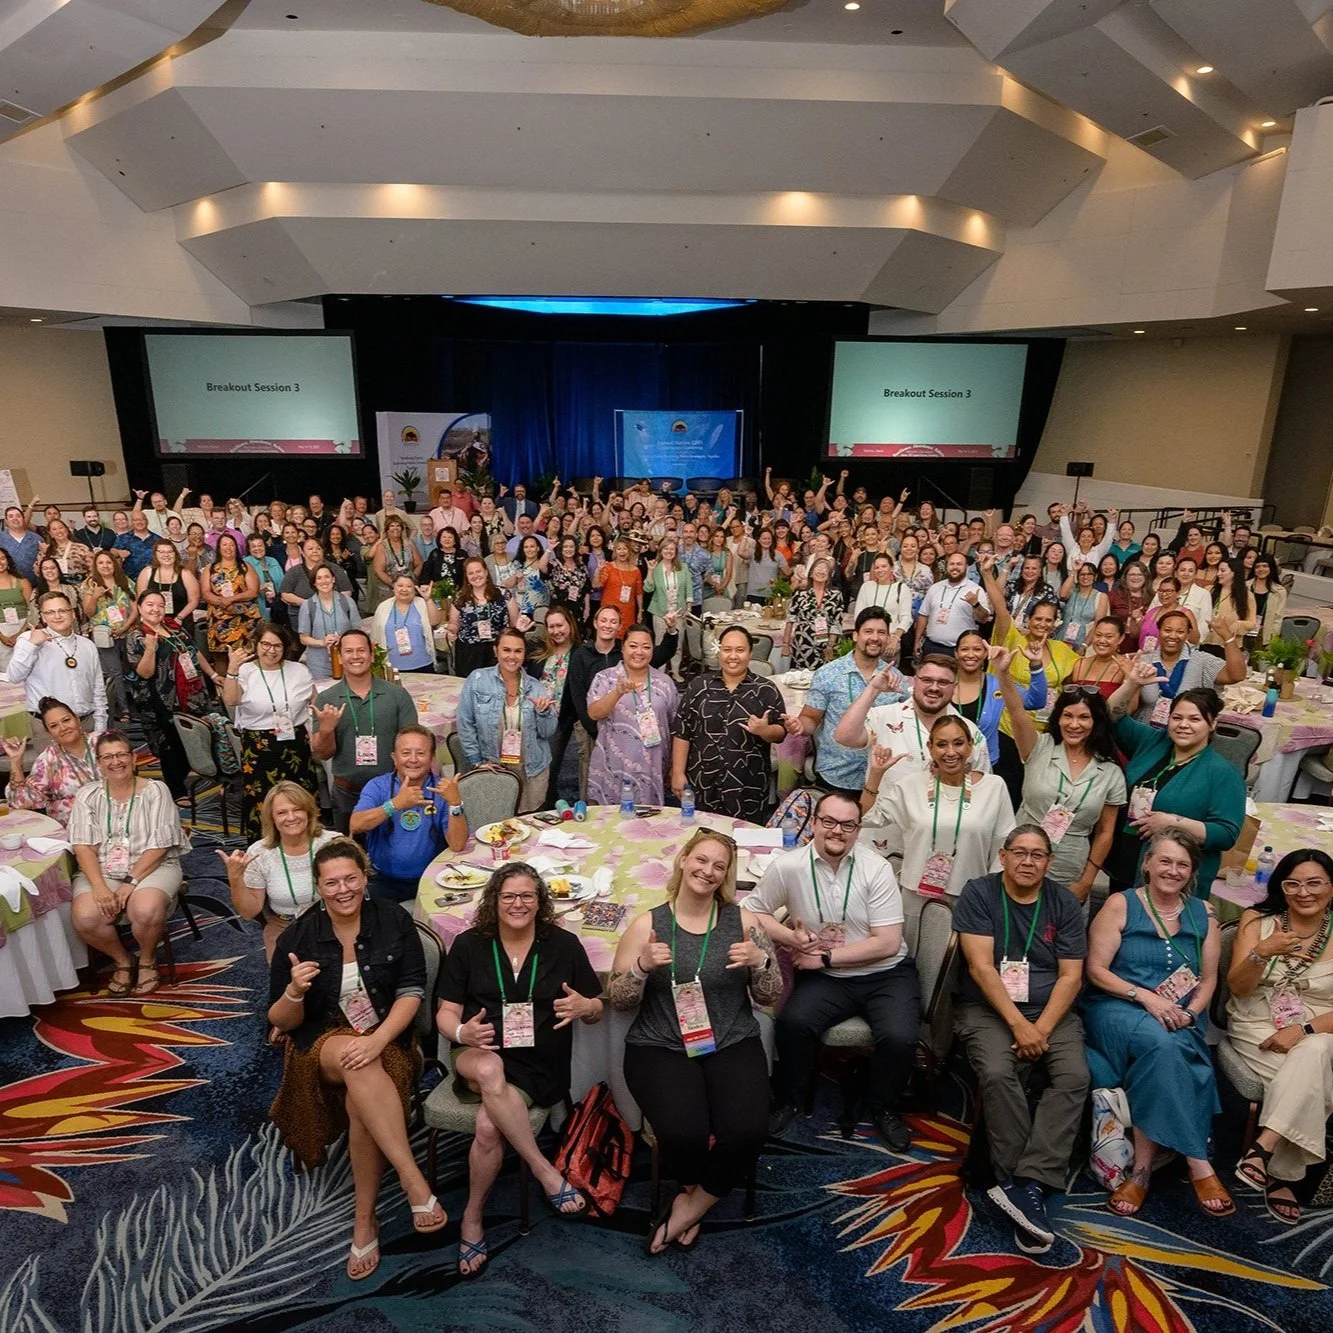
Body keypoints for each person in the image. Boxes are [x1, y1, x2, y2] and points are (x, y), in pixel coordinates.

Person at [267, 839, 443, 1280]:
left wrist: (379, 1039)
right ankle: (411, 1178)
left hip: (386, 1039)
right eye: (331, 882)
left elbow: (410, 992)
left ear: (365, 878)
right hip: (321, 1042)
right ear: (319, 887)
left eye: (350, 878)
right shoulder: (299, 937)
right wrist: (294, 991)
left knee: (361, 1097)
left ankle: (364, 1221)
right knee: (352, 1056)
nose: (342, 889)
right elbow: (280, 1021)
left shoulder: (393, 919)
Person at [611, 828, 781, 1252]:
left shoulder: (744, 923)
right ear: (684, 860)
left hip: (730, 1039)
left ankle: (691, 1205)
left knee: (747, 1130)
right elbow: (618, 1000)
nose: (707, 871)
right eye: (701, 860)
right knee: (684, 1133)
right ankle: (699, 1190)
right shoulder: (647, 925)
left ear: (726, 876)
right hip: (659, 1045)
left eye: (718, 866)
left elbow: (770, 995)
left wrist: (761, 963)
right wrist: (640, 967)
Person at [434, 863, 603, 1274]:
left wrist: (586, 1008)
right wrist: (462, 1033)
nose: (518, 904)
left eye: (528, 896)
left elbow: (597, 1007)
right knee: (490, 1069)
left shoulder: (563, 944)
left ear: (541, 902)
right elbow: (445, 1013)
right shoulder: (470, 944)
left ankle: (472, 1216)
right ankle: (545, 1171)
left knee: (489, 1127)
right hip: (481, 1052)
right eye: (508, 896)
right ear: (493, 900)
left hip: (538, 1063)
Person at [746, 791, 920, 1149]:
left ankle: (882, 1106)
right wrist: (790, 938)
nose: (837, 831)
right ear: (814, 824)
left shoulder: (876, 868)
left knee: (900, 1038)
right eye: (828, 822)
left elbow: (887, 943)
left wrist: (823, 958)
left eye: (847, 825)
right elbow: (752, 911)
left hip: (885, 972)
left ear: (858, 830)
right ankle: (791, 1099)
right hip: (828, 979)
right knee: (793, 1024)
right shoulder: (789, 865)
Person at [953, 825, 1089, 1253]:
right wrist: (1018, 1025)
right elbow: (981, 968)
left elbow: (1072, 975)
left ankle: (1028, 1182)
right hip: (990, 1009)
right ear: (1003, 855)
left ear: (1049, 862)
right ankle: (1021, 1187)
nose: (1028, 862)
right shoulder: (979, 893)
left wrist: (1041, 1028)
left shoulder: (1064, 902)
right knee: (996, 1071)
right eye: (1019, 853)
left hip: (1052, 1013)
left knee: (1074, 1076)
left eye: (1037, 855)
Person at [1082, 829, 1232, 1218]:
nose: (1173, 870)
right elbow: (1096, 971)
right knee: (1163, 1044)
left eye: (1182, 864)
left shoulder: (1205, 913)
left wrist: (1191, 1012)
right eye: (1164, 860)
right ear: (1147, 863)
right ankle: (1199, 1160)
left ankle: (1141, 1171)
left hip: (1179, 1018)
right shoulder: (1120, 904)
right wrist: (1147, 997)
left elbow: (1210, 978)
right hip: (1118, 1007)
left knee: (1169, 1045)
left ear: (1192, 872)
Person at [1227, 848, 1333, 1224]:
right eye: (1293, 883)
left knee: (1316, 1048)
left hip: (1322, 1028)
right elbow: (1238, 989)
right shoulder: (1258, 920)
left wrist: (1302, 1030)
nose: (1304, 892)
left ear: (1332, 887)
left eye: (1315, 883)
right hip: (1256, 1024)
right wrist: (1260, 953)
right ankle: (1282, 1175)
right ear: (1281, 886)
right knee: (1312, 1079)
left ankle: (1262, 1147)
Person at [996, 660, 1127, 905]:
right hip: (1022, 855)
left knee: (1058, 934)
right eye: (1067, 716)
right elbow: (1015, 710)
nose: (1074, 724)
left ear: (1095, 722)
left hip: (1071, 864)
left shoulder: (1110, 772)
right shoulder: (1039, 747)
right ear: (1058, 718)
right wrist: (1002, 671)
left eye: (1084, 718)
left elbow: (1105, 833)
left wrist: (1087, 881)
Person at [68, 731, 187, 997]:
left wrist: (130, 883)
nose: (116, 762)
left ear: (133, 758)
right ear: (98, 763)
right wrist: (99, 887)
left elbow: (161, 845)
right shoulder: (87, 795)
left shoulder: (156, 791)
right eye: (107, 757)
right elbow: (83, 847)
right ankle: (123, 960)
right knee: (86, 917)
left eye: (122, 754)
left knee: (145, 911)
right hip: (102, 867)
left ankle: (146, 959)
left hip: (153, 866)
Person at [874, 715, 1015, 931]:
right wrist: (876, 774)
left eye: (958, 743)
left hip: (970, 895)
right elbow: (865, 819)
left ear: (970, 745)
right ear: (930, 748)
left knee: (960, 960)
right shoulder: (909, 786)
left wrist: (992, 891)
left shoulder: (994, 787)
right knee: (915, 958)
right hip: (917, 894)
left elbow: (1004, 843)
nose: (950, 752)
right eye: (941, 744)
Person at [835, 654, 990, 818]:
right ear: (915, 681)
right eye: (927, 680)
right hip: (884, 832)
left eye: (943, 682)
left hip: (941, 833)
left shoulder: (970, 732)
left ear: (955, 687)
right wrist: (873, 689)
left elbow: (983, 790)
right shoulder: (884, 716)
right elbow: (844, 737)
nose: (934, 687)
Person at [124, 589, 238, 801]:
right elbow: (144, 672)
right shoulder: (137, 636)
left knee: (199, 734)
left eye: (159, 604)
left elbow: (194, 652)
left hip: (193, 692)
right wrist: (150, 649)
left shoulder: (174, 627)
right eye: (149, 604)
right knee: (172, 743)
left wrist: (213, 675)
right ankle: (176, 790)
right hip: (161, 698)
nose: (155, 609)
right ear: (139, 607)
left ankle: (215, 777)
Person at [671, 626, 785, 823]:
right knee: (701, 838)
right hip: (702, 782)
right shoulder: (699, 686)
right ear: (719, 651)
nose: (733, 656)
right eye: (727, 649)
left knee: (744, 843)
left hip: (747, 784)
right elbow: (683, 731)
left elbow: (781, 732)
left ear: (750, 653)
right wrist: (678, 772)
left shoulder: (765, 689)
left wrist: (764, 730)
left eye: (740, 650)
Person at [217, 781, 341, 959]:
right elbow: (248, 912)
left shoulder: (334, 843)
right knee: (288, 982)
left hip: (334, 921)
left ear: (308, 811)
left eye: (297, 809)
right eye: (282, 812)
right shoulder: (259, 853)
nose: (291, 818)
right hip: (285, 927)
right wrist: (235, 878)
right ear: (272, 819)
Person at [311, 629, 419, 831]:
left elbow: (413, 745)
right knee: (350, 856)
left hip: (392, 791)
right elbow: (323, 754)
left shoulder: (396, 695)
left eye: (361, 650)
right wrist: (326, 731)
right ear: (340, 657)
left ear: (371, 655)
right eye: (349, 651)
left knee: (394, 854)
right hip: (347, 793)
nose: (355, 656)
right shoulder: (327, 700)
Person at [219, 624, 318, 841]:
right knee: (262, 801)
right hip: (259, 748)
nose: (271, 651)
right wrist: (232, 669)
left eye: (277, 646)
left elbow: (314, 701)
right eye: (266, 644)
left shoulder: (298, 670)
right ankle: (263, 848)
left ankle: (305, 845)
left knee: (299, 799)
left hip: (295, 744)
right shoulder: (246, 671)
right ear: (257, 644)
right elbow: (231, 700)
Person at [791, 608, 907, 792]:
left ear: (888, 638)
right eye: (868, 631)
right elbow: (811, 718)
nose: (875, 638)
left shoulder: (897, 679)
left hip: (880, 779)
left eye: (881, 632)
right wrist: (800, 726)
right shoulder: (828, 674)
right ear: (855, 636)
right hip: (836, 774)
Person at [349, 726, 467, 901]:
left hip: (433, 877)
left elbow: (457, 845)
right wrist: (395, 804)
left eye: (420, 753)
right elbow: (355, 825)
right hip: (382, 880)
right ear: (394, 758)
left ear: (432, 759)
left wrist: (455, 803)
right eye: (405, 753)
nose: (413, 760)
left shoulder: (443, 790)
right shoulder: (377, 786)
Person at [456, 628, 558, 810]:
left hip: (530, 770)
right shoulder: (477, 680)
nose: (512, 656)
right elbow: (465, 724)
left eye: (518, 651)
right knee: (496, 822)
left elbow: (547, 732)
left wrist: (544, 712)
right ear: (496, 651)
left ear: (524, 654)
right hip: (494, 768)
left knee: (527, 824)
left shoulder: (536, 688)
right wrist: (477, 762)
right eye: (506, 650)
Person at [586, 623, 679, 807]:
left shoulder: (664, 682)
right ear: (623, 648)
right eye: (633, 646)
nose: (639, 652)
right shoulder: (605, 678)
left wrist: (675, 768)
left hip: (653, 765)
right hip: (613, 764)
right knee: (608, 825)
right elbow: (594, 713)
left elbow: (675, 726)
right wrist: (617, 692)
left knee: (647, 827)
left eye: (646, 647)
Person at [1120, 609, 1245, 725]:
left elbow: (1237, 675)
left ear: (1187, 634)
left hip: (1188, 731)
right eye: (1167, 630)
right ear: (1159, 632)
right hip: (1146, 731)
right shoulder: (1144, 662)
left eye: (1180, 632)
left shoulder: (1202, 660)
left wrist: (1227, 637)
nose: (1173, 636)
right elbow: (1129, 710)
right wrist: (1130, 681)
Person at [8, 590, 107, 734]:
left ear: (72, 614)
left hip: (85, 724)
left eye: (62, 610)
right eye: (50, 612)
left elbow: (98, 688)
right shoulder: (28, 639)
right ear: (43, 617)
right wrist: (33, 645)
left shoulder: (87, 645)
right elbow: (14, 677)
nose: (57, 616)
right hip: (47, 728)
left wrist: (100, 726)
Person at [950, 630, 1047, 771]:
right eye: (964, 649)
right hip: (946, 764)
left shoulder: (998, 685)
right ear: (956, 653)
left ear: (985, 653)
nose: (971, 655)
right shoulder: (944, 682)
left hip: (984, 768)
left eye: (977, 649)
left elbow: (1035, 702)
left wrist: (1036, 664)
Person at [3, 697, 104, 825]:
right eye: (54, 726)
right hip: (73, 831)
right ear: (49, 733)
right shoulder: (48, 760)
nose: (63, 728)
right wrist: (16, 761)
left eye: (66, 720)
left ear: (78, 720)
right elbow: (21, 802)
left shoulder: (102, 743)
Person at [524, 605, 580, 804]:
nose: (556, 631)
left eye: (560, 625)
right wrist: (520, 630)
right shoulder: (538, 650)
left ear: (570, 625)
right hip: (531, 716)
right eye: (551, 626)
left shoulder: (580, 654)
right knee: (531, 763)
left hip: (559, 720)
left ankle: (546, 806)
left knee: (549, 765)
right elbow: (511, 652)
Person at [79, 549, 137, 721]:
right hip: (104, 637)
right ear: (96, 566)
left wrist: (125, 626)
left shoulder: (125, 582)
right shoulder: (90, 584)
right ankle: (123, 709)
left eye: (108, 562)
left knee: (131, 669)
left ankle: (136, 702)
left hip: (126, 633)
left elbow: (135, 608)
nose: (105, 566)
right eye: (101, 563)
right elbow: (88, 612)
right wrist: (95, 597)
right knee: (115, 672)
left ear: (114, 564)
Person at [448, 556, 522, 680]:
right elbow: (453, 623)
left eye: (478, 571)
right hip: (469, 652)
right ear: (466, 577)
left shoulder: (504, 594)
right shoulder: (460, 597)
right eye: (471, 573)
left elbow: (514, 625)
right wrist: (452, 630)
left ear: (486, 572)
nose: (475, 576)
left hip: (497, 651)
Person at [913, 551, 990, 658]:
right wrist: (917, 641)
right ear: (947, 566)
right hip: (931, 646)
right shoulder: (935, 587)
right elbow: (923, 615)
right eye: (952, 564)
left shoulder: (976, 589)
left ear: (966, 567)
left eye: (959, 564)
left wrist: (975, 604)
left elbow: (983, 619)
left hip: (959, 650)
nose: (955, 567)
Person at [203, 533, 261, 665]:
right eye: (224, 544)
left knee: (248, 659)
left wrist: (231, 599)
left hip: (245, 621)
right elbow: (205, 593)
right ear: (218, 547)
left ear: (236, 547)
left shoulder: (245, 567)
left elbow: (253, 591)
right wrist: (222, 602)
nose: (228, 547)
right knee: (222, 661)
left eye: (231, 544)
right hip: (219, 621)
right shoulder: (210, 568)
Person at [371, 573, 442, 675]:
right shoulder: (383, 607)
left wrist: (428, 599)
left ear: (415, 589)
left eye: (409, 586)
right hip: (392, 666)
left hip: (422, 664)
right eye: (400, 586)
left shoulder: (422, 603)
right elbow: (375, 637)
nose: (404, 589)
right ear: (393, 588)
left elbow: (435, 621)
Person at [297, 564, 360, 678]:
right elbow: (303, 638)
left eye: (327, 577)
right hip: (319, 664)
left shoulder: (347, 602)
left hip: (347, 660)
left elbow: (357, 631)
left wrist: (343, 639)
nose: (324, 581)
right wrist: (322, 642)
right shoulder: (308, 605)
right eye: (319, 578)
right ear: (314, 583)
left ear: (333, 579)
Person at [783, 557, 845, 670]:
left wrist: (831, 646)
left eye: (825, 570)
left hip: (826, 646)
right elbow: (790, 620)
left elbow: (837, 623)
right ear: (810, 573)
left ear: (830, 575)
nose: (821, 572)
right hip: (802, 644)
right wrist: (785, 644)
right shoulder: (800, 594)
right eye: (818, 568)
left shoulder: (836, 595)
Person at [646, 537, 693, 672]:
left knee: (677, 643)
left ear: (676, 551)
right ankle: (659, 673)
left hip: (678, 612)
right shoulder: (655, 567)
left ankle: (676, 672)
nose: (669, 551)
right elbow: (648, 588)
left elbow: (688, 588)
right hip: (660, 612)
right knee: (660, 644)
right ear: (661, 551)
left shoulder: (683, 567)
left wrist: (688, 607)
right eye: (666, 548)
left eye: (672, 549)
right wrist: (650, 571)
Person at [137, 538, 200, 623]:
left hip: (180, 620)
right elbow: (141, 600)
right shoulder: (146, 572)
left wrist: (179, 618)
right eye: (162, 552)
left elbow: (194, 600)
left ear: (175, 553)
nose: (166, 555)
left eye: (170, 552)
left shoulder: (185, 573)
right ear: (155, 554)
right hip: (153, 621)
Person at [596, 537, 644, 638]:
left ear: (629, 550)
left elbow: (638, 592)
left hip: (628, 611)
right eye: (619, 548)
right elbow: (596, 585)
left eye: (625, 548)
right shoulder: (608, 567)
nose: (622, 551)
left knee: (626, 638)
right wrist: (598, 571)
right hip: (610, 609)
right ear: (615, 551)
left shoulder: (636, 570)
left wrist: (640, 611)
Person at [1058, 562, 1109, 653]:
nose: (1085, 577)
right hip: (1061, 639)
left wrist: (1084, 646)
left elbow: (1098, 624)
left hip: (1082, 643)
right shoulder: (1072, 592)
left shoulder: (1101, 596)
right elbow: (1062, 594)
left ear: (1095, 576)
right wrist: (1074, 571)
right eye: (1082, 574)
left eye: (1090, 574)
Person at [0, 547, 32, 671]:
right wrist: (1, 636)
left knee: (25, 668)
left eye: (2, 558)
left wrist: (22, 632)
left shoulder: (22, 581)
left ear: (8, 561)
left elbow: (32, 610)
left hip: (23, 627)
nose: (0, 562)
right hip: (1, 631)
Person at [1108, 562, 1150, 653]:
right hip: (1118, 644)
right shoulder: (1114, 595)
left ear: (1145, 577)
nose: (1135, 578)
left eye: (1139, 575)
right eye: (1132, 574)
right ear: (1125, 577)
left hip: (1143, 646)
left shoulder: (1152, 598)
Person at [244, 532, 286, 622]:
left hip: (277, 607)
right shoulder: (245, 563)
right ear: (249, 549)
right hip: (255, 609)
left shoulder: (273, 561)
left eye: (260, 545)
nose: (257, 548)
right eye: (253, 546)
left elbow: (283, 583)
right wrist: (256, 589)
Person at [1248, 555, 1288, 646]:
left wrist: (1272, 638)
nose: (1261, 569)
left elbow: (1278, 617)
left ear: (1271, 568)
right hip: (1243, 631)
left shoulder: (1279, 591)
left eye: (1265, 566)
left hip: (1263, 635)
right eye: (1257, 566)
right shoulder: (1245, 586)